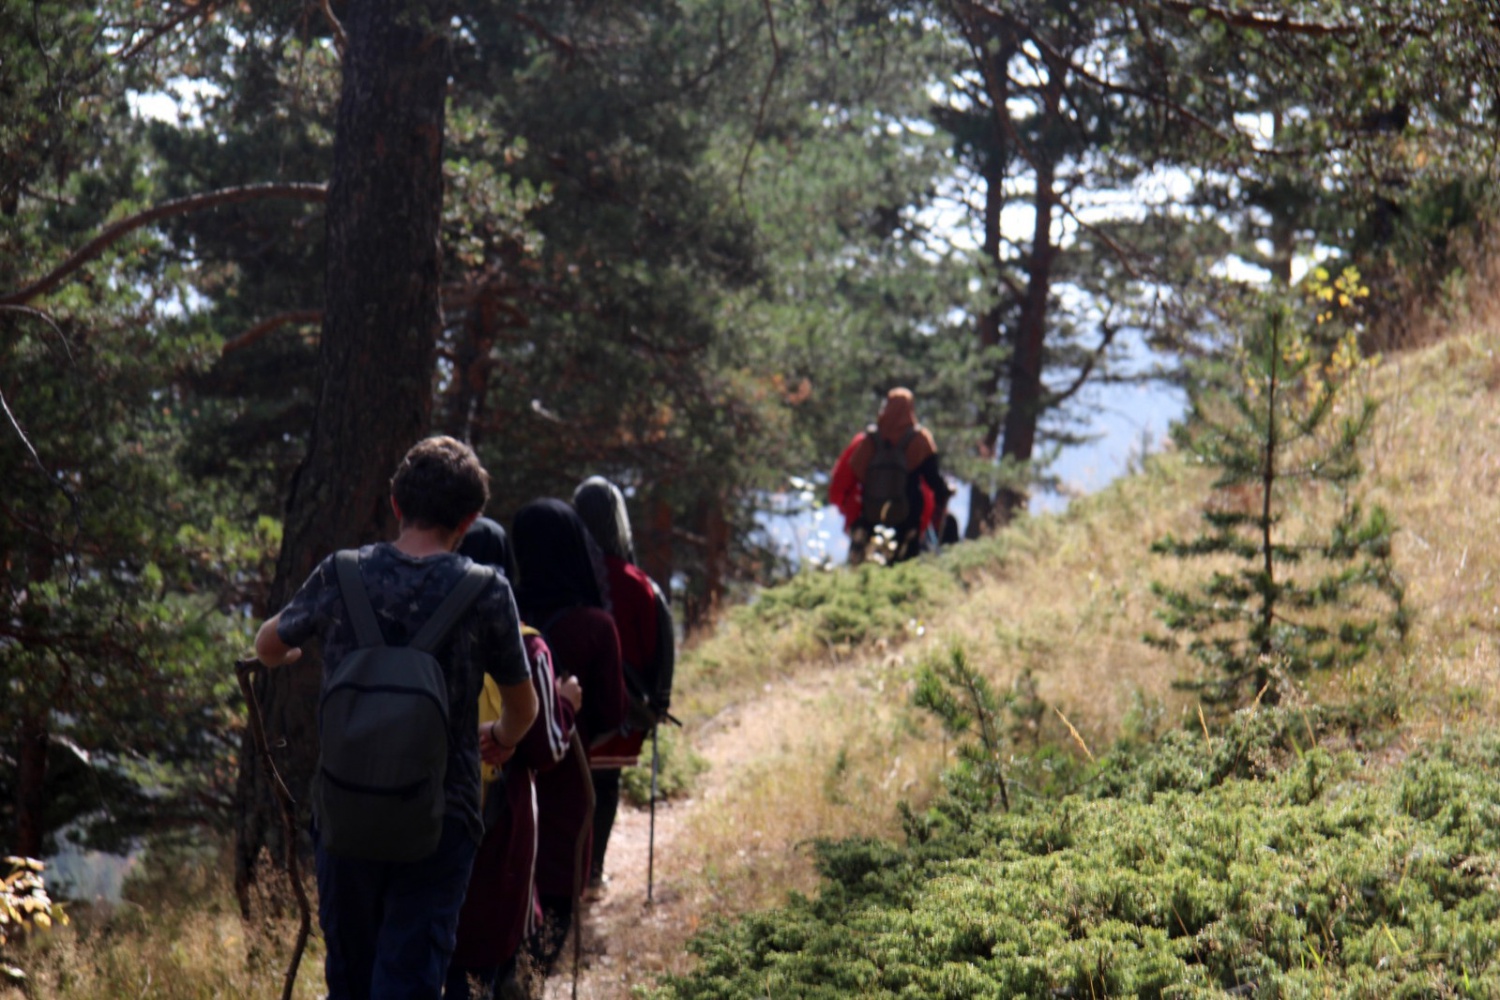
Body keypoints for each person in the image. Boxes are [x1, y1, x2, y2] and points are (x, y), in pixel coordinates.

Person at [253, 436, 539, 1000]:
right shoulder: (486, 591)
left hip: (345, 809)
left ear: (395, 502)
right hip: (441, 814)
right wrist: (501, 737)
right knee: (409, 975)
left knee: (350, 977)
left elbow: (267, 642)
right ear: (471, 518)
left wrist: (286, 656)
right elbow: (523, 706)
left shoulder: (343, 573)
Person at [446, 520, 577, 1000]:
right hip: (502, 813)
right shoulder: (525, 643)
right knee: (490, 942)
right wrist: (565, 703)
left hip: (422, 806)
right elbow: (547, 748)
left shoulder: (420, 629)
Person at [511, 499, 626, 975]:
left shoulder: (500, 617)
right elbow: (613, 714)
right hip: (567, 788)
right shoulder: (596, 627)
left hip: (507, 788)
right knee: (554, 906)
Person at [572, 476, 675, 894]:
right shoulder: (637, 584)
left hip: (566, 709)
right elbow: (654, 651)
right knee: (605, 786)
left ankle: (566, 874)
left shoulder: (563, 576)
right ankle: (593, 874)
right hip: (621, 715)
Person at [832, 388, 953, 564]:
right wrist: (945, 491)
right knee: (904, 565)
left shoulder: (870, 439)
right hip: (908, 516)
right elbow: (933, 479)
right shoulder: (919, 440)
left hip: (870, 514)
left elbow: (854, 472)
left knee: (867, 565)